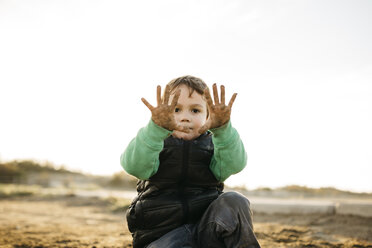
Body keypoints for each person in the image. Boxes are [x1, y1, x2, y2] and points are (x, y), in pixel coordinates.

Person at [120, 75, 261, 248]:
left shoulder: (215, 145)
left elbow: (235, 164)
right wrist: (155, 130)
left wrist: (223, 130)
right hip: (161, 237)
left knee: (235, 200)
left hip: (205, 232)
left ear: (208, 115)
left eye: (195, 110)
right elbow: (135, 167)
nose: (185, 117)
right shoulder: (154, 143)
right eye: (176, 109)